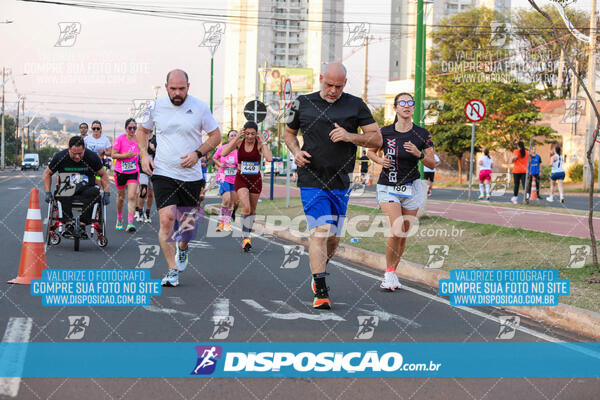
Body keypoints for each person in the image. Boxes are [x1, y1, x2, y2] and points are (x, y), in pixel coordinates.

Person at [284, 62, 381, 309]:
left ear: (345, 84)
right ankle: (321, 289)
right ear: (320, 79)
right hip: (311, 178)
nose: (333, 91)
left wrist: (350, 136)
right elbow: (288, 133)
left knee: (333, 240)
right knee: (321, 230)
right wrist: (296, 152)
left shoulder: (355, 104)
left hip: (341, 179)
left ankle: (319, 271)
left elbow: (377, 138)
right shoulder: (301, 103)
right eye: (329, 85)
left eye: (338, 86)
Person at [138, 69, 221, 287]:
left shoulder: (200, 107)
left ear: (188, 87)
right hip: (163, 172)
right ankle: (172, 271)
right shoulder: (154, 106)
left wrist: (197, 154)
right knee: (166, 219)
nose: (177, 93)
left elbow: (216, 136)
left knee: (188, 226)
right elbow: (142, 131)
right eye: (173, 89)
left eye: (181, 89)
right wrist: (144, 154)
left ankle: (183, 249)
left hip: (191, 176)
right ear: (166, 87)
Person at [367, 93, 435, 292]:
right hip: (388, 186)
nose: (407, 106)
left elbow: (432, 163)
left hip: (411, 187)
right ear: (396, 108)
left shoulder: (422, 134)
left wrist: (418, 154)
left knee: (403, 234)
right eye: (402, 103)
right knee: (396, 229)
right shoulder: (384, 132)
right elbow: (370, 151)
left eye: (410, 103)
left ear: (413, 108)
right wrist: (380, 161)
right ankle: (388, 273)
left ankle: (393, 273)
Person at [43, 136, 110, 236]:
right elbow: (47, 173)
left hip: (87, 188)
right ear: (69, 149)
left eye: (80, 153)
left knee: (95, 193)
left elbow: (103, 174)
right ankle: (69, 224)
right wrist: (47, 192)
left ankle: (82, 225)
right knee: (62, 192)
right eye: (74, 154)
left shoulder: (92, 157)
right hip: (67, 187)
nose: (77, 157)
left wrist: (107, 193)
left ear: (84, 149)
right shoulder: (60, 157)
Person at [221, 121, 273, 251]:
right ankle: (246, 239)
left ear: (257, 134)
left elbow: (269, 158)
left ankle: (247, 233)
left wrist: (263, 141)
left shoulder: (260, 145)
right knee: (246, 207)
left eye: (253, 134)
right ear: (244, 132)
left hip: (255, 180)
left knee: (253, 211)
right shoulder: (239, 143)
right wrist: (237, 136)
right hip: (241, 178)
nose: (250, 136)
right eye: (247, 133)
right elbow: (224, 153)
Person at [112, 118, 140, 232]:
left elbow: (142, 153)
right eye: (130, 128)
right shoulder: (120, 139)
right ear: (126, 128)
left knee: (132, 196)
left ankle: (130, 223)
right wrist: (125, 156)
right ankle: (119, 218)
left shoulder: (138, 140)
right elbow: (113, 155)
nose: (132, 130)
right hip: (120, 171)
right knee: (121, 197)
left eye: (134, 128)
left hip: (133, 171)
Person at [213, 129, 239, 232]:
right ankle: (224, 221)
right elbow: (214, 158)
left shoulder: (239, 151)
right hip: (223, 177)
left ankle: (224, 223)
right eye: (231, 135)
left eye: (235, 135)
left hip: (235, 178)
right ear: (228, 138)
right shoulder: (222, 149)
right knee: (226, 199)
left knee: (232, 201)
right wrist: (220, 164)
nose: (233, 137)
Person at [136, 134, 157, 223]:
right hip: (142, 168)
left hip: (154, 169)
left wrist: (154, 149)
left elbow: (163, 153)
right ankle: (140, 211)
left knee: (151, 194)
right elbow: (136, 151)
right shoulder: (141, 137)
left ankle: (147, 213)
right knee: (143, 190)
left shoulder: (157, 139)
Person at [84, 120, 112, 184]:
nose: (96, 130)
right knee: (88, 183)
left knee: (98, 183)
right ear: (91, 129)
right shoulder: (86, 139)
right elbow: (81, 150)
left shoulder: (105, 140)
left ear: (101, 129)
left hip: (100, 164)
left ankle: (102, 192)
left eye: (98, 128)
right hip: (88, 164)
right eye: (94, 128)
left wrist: (104, 152)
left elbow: (111, 153)